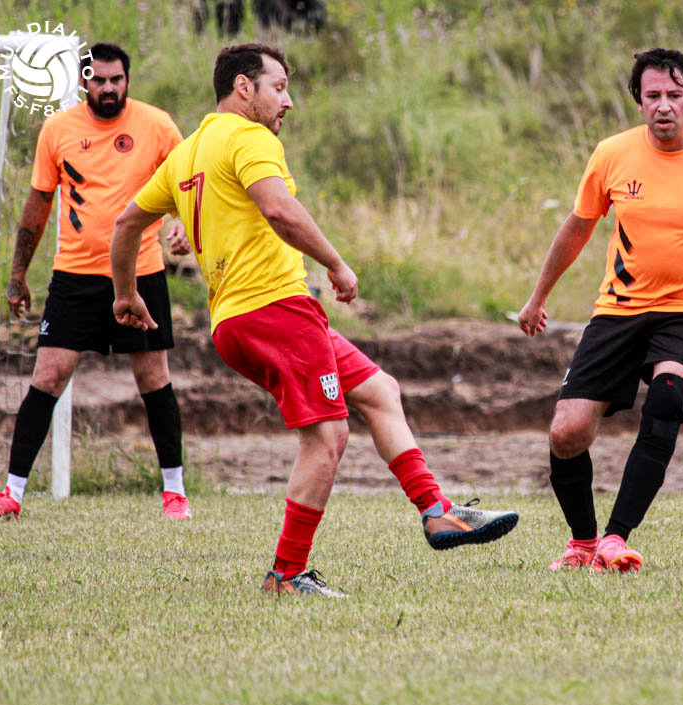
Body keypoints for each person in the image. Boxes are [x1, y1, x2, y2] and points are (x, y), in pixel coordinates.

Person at [110, 43, 518, 597]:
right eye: (279, 87)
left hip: (233, 321)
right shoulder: (249, 138)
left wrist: (126, 294)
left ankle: (437, 510)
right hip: (275, 309)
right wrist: (336, 263)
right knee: (327, 436)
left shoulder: (187, 152)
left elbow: (126, 225)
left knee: (379, 390)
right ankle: (286, 575)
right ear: (243, 88)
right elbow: (279, 209)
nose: (289, 102)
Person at [517, 48, 683, 573]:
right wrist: (537, 298)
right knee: (566, 433)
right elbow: (578, 227)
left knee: (668, 396)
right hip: (619, 311)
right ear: (639, 102)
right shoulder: (612, 154)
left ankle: (616, 538)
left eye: (674, 95)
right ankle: (582, 544)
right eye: (653, 95)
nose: (664, 106)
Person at [0, 43, 192, 522]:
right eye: (99, 80)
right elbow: (39, 203)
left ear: (128, 80)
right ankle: (12, 493)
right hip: (74, 276)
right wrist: (17, 275)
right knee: (48, 376)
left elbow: (189, 185)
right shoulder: (58, 129)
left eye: (117, 80)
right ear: (83, 82)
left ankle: (175, 493)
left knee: (153, 378)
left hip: (140, 273)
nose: (109, 88)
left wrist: (186, 226)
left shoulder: (157, 125)